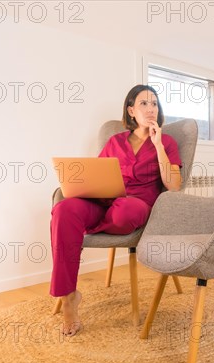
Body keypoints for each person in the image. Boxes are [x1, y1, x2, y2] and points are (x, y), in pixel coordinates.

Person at [49, 85, 182, 336]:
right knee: (64, 209)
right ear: (131, 110)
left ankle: (78, 230)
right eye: (144, 103)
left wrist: (158, 145)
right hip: (102, 202)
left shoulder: (167, 142)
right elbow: (95, 176)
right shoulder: (115, 141)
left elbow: (174, 186)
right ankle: (69, 298)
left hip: (136, 207)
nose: (151, 108)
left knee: (126, 211)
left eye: (154, 103)